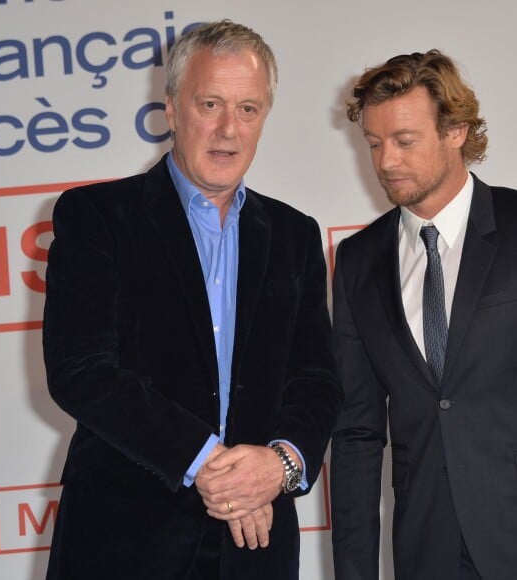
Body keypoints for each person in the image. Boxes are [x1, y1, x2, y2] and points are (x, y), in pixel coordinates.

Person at [43, 19, 341, 580]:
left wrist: (279, 465)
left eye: (248, 109)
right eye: (210, 104)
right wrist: (209, 462)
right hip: (123, 545)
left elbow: (316, 380)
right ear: (173, 111)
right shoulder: (97, 218)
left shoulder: (295, 234)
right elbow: (79, 369)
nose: (229, 128)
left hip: (256, 543)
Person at [330, 48, 517, 580]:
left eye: (404, 141)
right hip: (425, 550)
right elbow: (357, 435)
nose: (386, 160)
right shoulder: (358, 261)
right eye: (374, 142)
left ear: (455, 131)